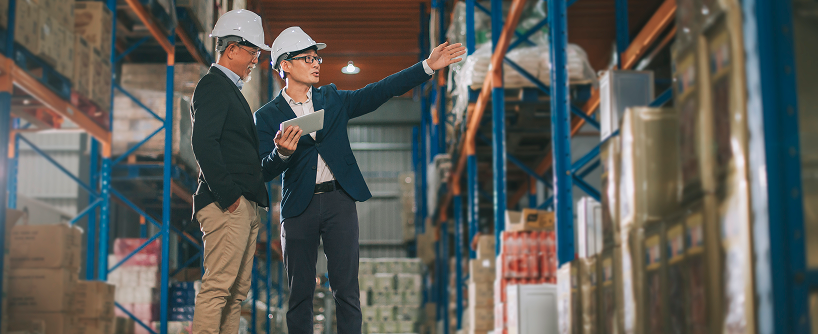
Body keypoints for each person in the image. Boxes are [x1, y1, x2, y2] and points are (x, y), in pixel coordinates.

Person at [254, 26, 465, 333]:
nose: (316, 64)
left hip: (340, 201)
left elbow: (378, 91)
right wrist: (281, 154)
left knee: (346, 290)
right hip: (299, 208)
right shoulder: (266, 116)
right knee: (300, 293)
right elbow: (262, 171)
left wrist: (426, 67)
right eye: (307, 58)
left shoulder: (332, 99)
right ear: (285, 65)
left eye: (317, 58)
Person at [189, 9, 271, 334]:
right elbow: (203, 143)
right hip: (227, 204)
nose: (255, 60)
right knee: (218, 289)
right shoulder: (213, 85)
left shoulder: (231, 91)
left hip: (244, 206)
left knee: (236, 295)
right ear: (232, 49)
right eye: (252, 52)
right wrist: (230, 198)